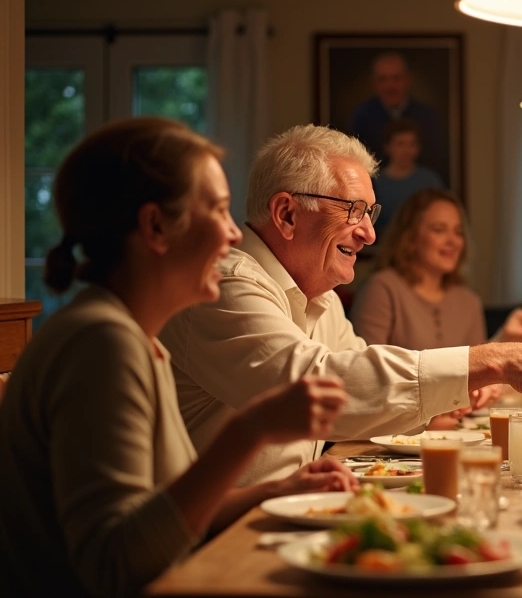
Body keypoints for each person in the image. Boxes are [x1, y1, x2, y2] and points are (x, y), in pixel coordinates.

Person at [0, 118, 356, 596]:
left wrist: (275, 491)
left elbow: (164, 516)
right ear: (156, 227)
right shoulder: (100, 343)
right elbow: (115, 564)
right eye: (219, 210)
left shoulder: (135, 339)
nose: (233, 235)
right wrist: (250, 431)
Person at [159, 125, 522, 486]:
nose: (368, 234)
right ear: (287, 214)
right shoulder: (225, 286)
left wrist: (441, 402)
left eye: (370, 214)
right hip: (219, 539)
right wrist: (490, 360)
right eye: (354, 210)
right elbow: (317, 387)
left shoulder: (322, 299)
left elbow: (359, 389)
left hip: (290, 510)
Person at [351, 189, 484, 430]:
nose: (452, 241)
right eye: (439, 230)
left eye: (458, 232)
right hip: (392, 436)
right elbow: (365, 382)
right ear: (411, 237)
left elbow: (476, 378)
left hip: (458, 432)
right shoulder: (382, 288)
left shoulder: (469, 301)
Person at [349, 52, 445, 180]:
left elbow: (437, 159)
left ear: (407, 80)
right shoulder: (362, 117)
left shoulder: (427, 116)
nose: (390, 86)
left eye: (396, 78)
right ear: (374, 83)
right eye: (383, 79)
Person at [370, 119, 445, 241]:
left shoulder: (430, 180)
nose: (407, 150)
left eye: (412, 144)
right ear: (387, 147)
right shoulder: (375, 182)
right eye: (400, 144)